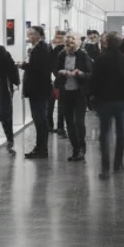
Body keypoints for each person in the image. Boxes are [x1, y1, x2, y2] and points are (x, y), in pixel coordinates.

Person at [88, 33, 124, 178]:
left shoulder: (100, 60)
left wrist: (91, 96)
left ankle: (105, 167)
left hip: (104, 100)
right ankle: (118, 164)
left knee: (104, 133)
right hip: (122, 101)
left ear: (107, 44)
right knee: (121, 132)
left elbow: (94, 80)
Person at [54, 33, 92, 162]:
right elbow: (56, 69)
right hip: (65, 92)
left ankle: (82, 147)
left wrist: (80, 73)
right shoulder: (61, 55)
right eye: (67, 43)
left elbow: (89, 73)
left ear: (77, 44)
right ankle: (75, 149)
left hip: (79, 93)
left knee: (79, 122)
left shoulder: (83, 55)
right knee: (69, 122)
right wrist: (61, 72)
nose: (69, 46)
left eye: (71, 43)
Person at [21, 26, 54, 159]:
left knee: (40, 120)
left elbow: (38, 69)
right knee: (39, 119)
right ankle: (40, 147)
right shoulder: (39, 48)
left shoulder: (41, 49)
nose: (29, 36)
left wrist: (23, 65)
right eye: (28, 33)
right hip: (38, 90)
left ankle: (41, 149)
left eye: (32, 33)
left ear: (39, 35)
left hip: (38, 90)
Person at [49, 31, 68, 137]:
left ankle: (60, 127)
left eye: (61, 38)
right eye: (57, 38)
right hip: (52, 81)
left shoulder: (63, 50)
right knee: (50, 105)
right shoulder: (52, 49)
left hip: (61, 81)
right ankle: (50, 126)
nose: (59, 40)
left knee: (62, 106)